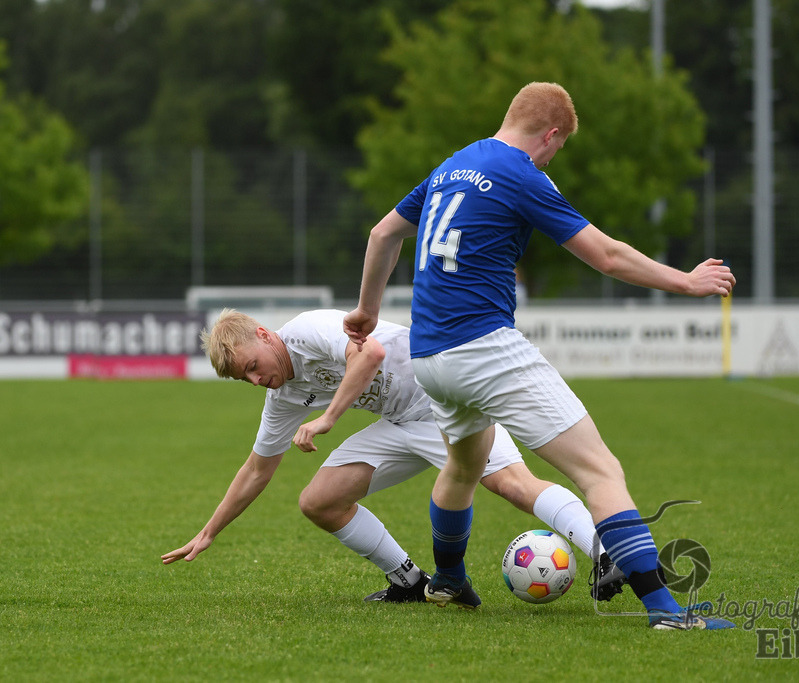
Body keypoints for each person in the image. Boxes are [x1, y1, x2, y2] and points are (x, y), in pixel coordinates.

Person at [344, 82, 736, 630]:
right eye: (559, 147)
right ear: (550, 134)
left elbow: (383, 232)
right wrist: (686, 282)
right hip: (485, 348)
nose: (553, 158)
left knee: (464, 466)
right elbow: (606, 255)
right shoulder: (520, 172)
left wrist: (366, 311)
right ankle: (665, 611)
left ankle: (449, 580)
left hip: (429, 356)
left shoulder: (452, 166)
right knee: (601, 471)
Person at [162, 308, 627, 605]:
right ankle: (407, 580)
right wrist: (209, 531)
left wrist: (328, 418)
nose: (255, 380)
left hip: (444, 398)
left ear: (264, 335)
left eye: (251, 366)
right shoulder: (282, 395)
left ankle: (607, 553)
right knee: (318, 501)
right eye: (243, 379)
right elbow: (256, 469)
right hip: (401, 422)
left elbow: (370, 354)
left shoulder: (306, 331)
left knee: (511, 484)